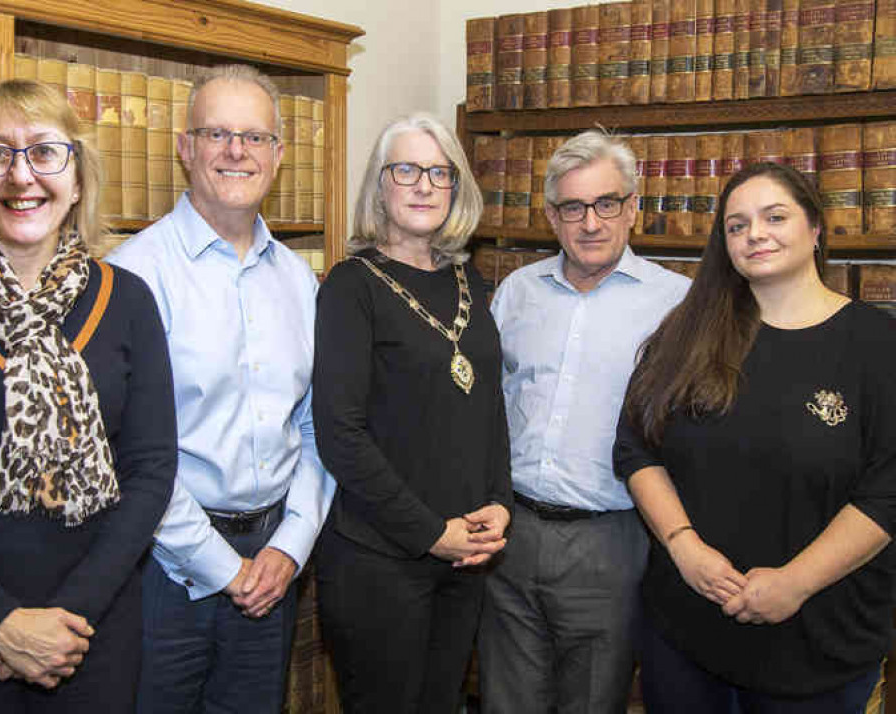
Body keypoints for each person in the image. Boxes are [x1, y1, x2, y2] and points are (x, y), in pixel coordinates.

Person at [0, 79, 177, 712]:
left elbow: (152, 469)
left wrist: (68, 620)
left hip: (91, 638)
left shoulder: (127, 300)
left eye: (45, 152)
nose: (21, 176)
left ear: (77, 177)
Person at [615, 161, 896, 712]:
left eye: (774, 216)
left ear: (815, 229)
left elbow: (888, 490)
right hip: (686, 631)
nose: (755, 234)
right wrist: (684, 546)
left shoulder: (878, 346)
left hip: (820, 643)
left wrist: (795, 583)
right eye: (737, 225)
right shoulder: (686, 332)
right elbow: (635, 447)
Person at [107, 64, 334, 714]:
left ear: (279, 155)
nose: (237, 151)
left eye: (255, 137)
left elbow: (318, 427)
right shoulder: (131, 277)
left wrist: (290, 546)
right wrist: (221, 566)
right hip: (163, 568)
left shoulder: (297, 279)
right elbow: (124, 450)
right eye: (217, 133)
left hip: (273, 565)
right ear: (185, 147)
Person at [479, 130, 690, 714]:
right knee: (504, 700)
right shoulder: (517, 292)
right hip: (510, 535)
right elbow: (488, 407)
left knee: (594, 701)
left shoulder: (678, 304)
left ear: (633, 208)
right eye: (573, 207)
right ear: (551, 215)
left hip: (612, 542)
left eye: (607, 203)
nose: (591, 222)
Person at [312, 112, 512, 714]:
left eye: (439, 172)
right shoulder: (350, 287)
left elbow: (489, 407)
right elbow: (339, 435)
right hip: (380, 560)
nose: (424, 185)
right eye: (406, 170)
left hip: (467, 556)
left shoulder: (468, 280)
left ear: (456, 188)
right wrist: (432, 534)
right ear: (379, 185)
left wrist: (499, 502)